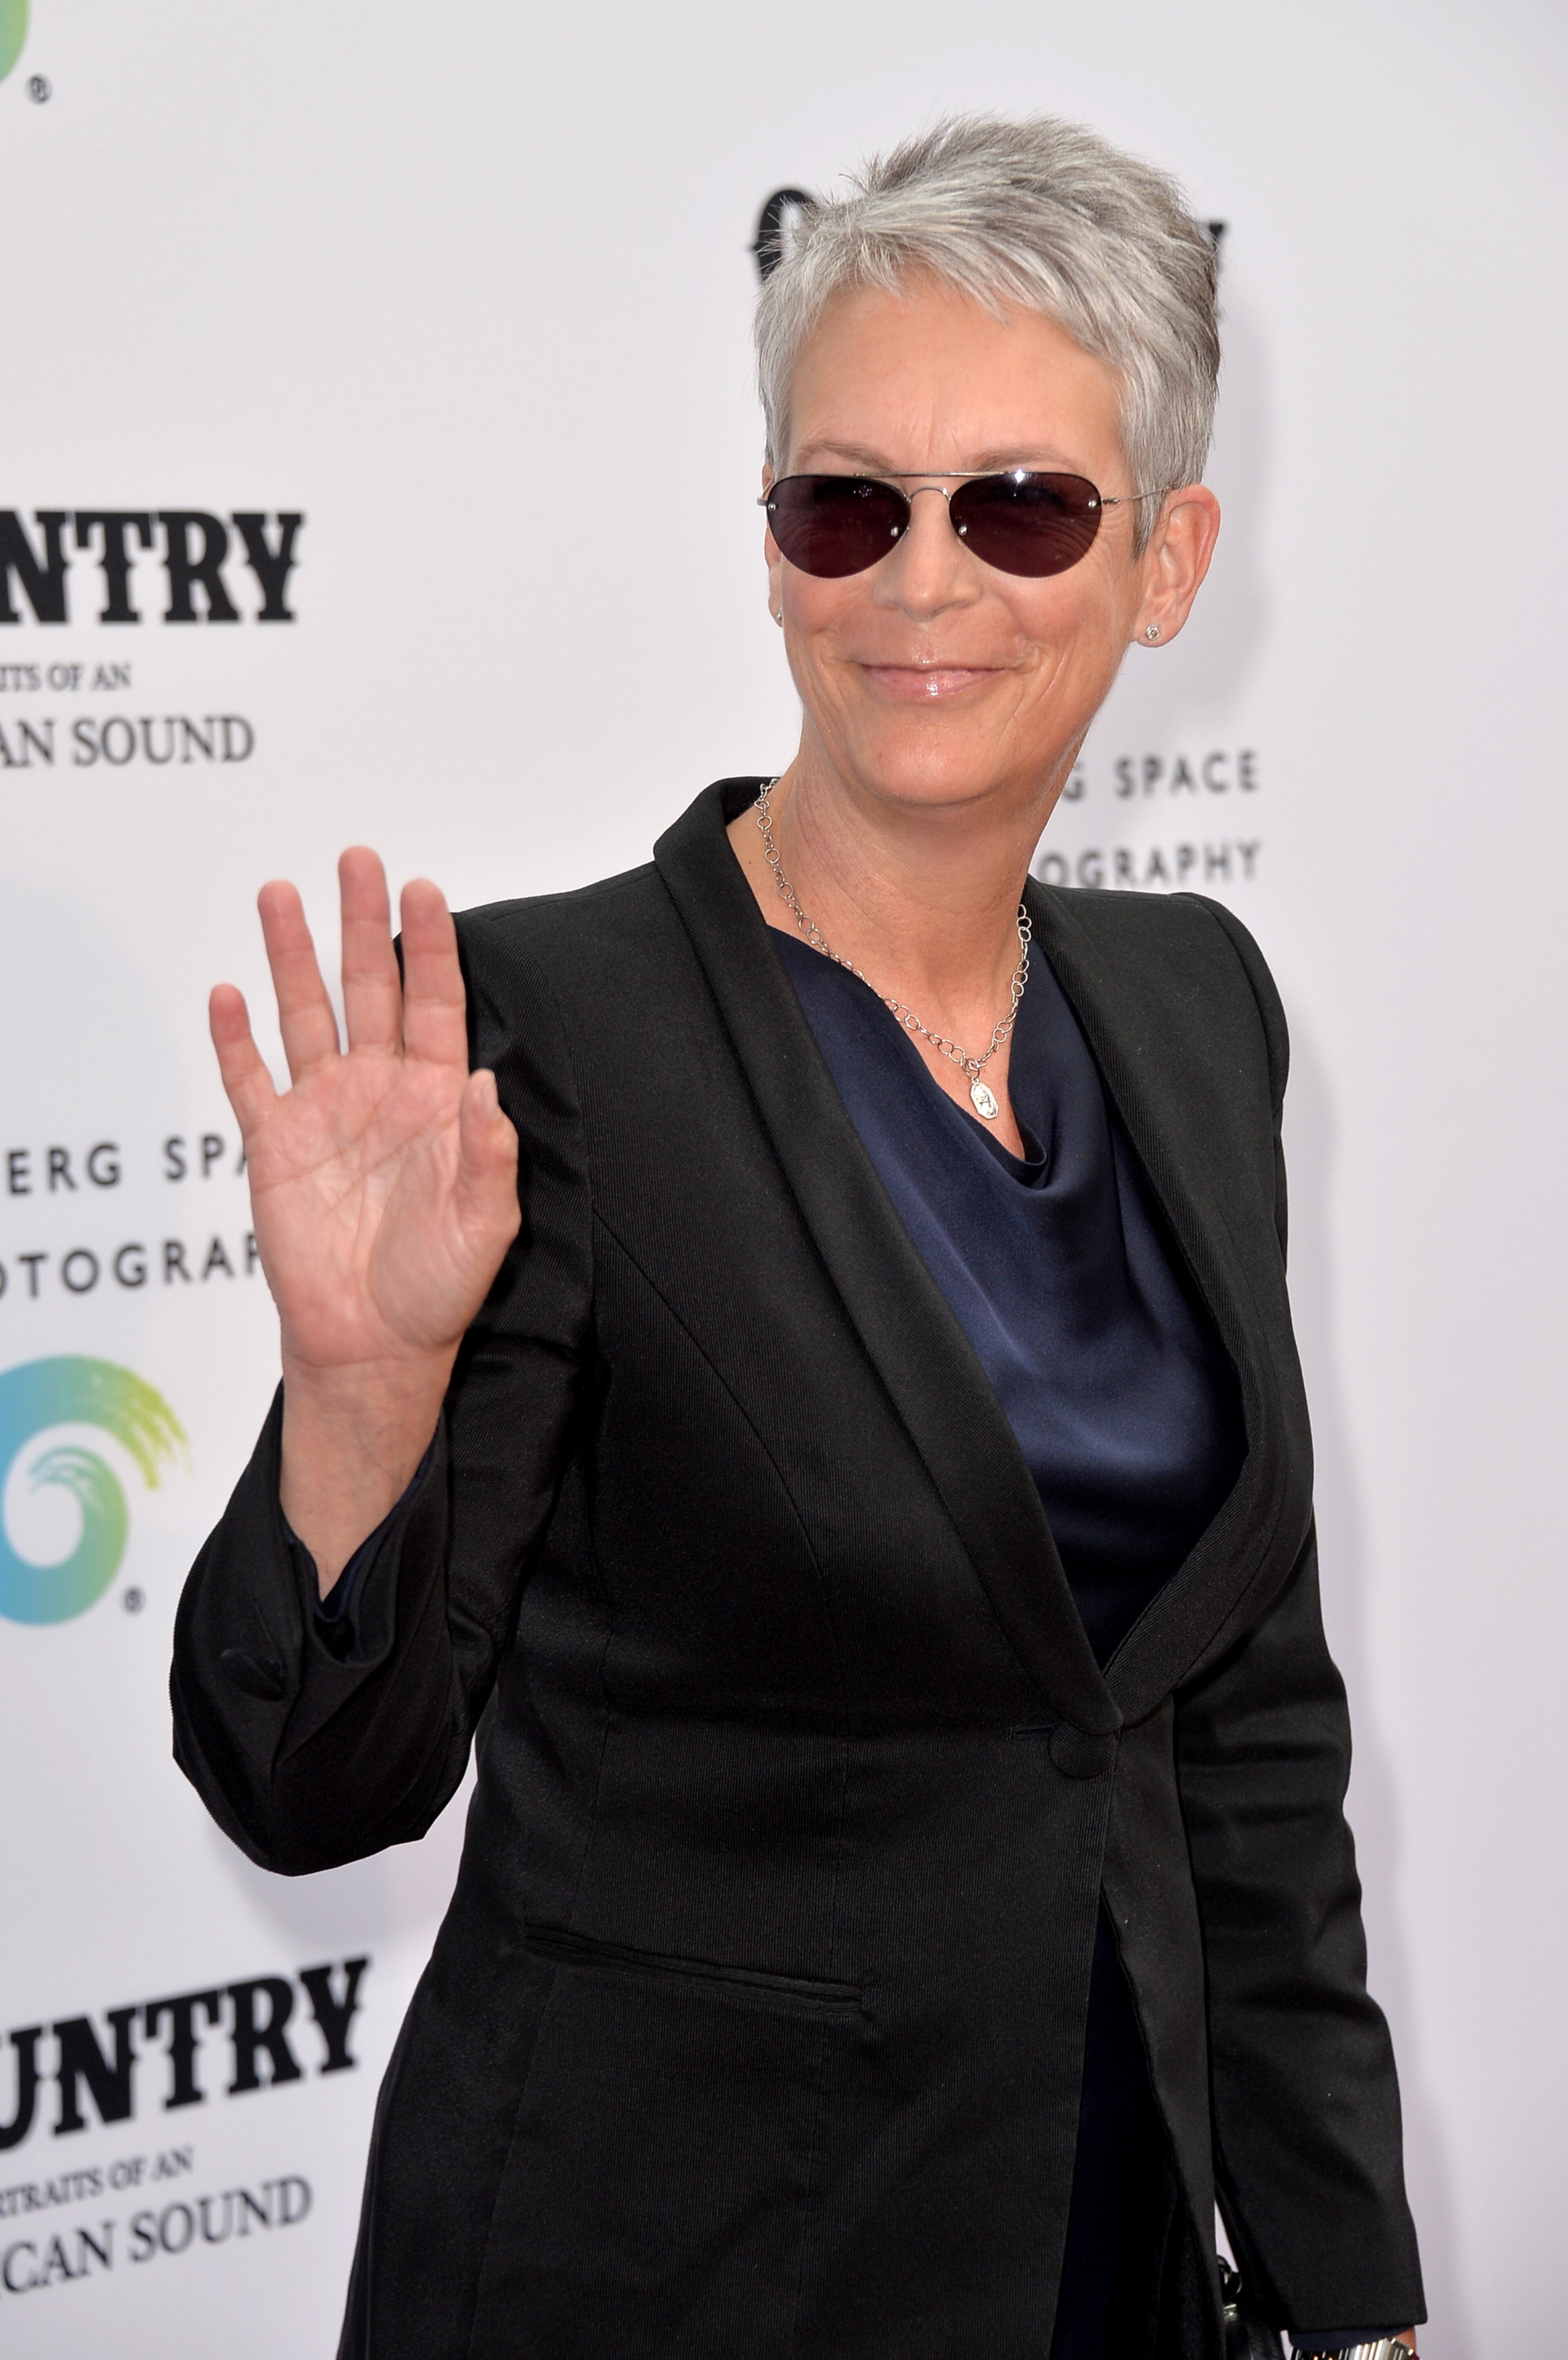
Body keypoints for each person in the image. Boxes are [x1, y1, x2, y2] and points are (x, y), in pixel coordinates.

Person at [172, 115, 1425, 2360]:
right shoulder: (552, 1027)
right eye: (846, 504)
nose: (919, 581)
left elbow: (1238, 1717)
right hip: (667, 2274)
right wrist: (359, 1391)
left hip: (1095, 2243)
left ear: (1165, 555)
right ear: (773, 555)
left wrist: (1350, 2286)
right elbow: (314, 1781)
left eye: (1020, 506)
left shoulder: (1195, 1002)